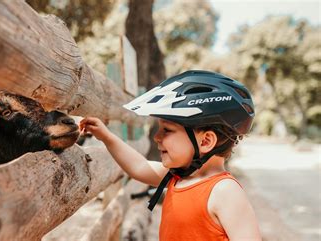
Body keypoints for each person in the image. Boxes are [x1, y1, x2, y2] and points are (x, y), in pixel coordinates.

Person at [80, 70, 262, 240]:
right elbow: (139, 166)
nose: (157, 137)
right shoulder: (176, 177)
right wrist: (106, 136)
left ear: (206, 141)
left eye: (167, 130)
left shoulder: (224, 192)